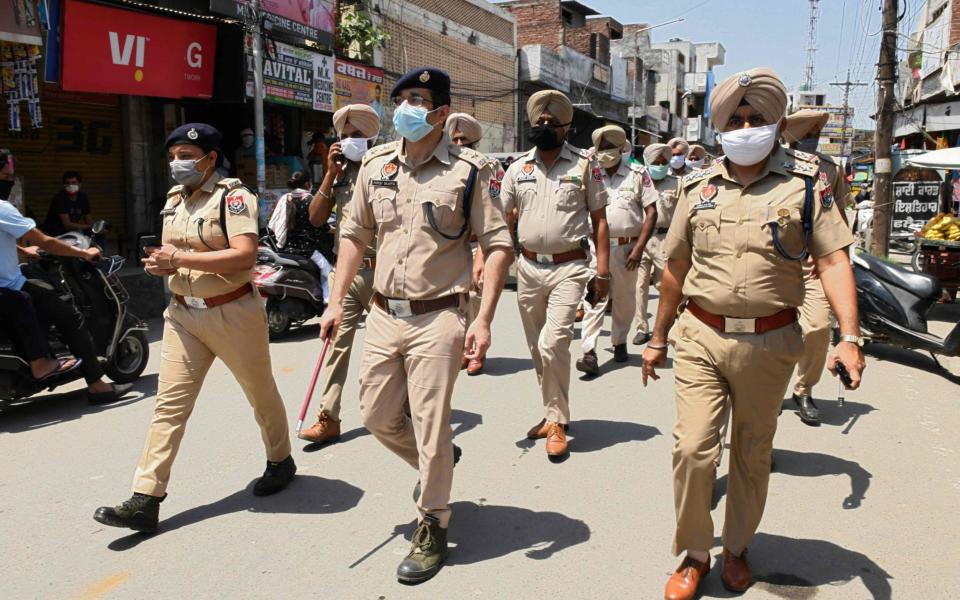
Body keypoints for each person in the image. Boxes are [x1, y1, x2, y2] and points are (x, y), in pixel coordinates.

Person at [641, 68, 865, 600]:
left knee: (751, 450)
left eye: (756, 118)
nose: (746, 126)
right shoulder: (697, 187)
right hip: (701, 335)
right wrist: (656, 337)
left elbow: (834, 259)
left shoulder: (806, 185)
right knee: (694, 449)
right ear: (721, 124)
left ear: (775, 124)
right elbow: (674, 268)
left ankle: (737, 547)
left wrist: (849, 337)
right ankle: (696, 553)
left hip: (772, 340)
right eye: (736, 118)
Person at [318, 68, 513, 583]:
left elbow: (496, 245)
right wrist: (336, 302)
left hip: (440, 316)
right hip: (383, 313)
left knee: (430, 425)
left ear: (441, 113)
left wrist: (485, 319)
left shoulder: (472, 170)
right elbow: (354, 236)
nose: (405, 108)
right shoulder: (377, 164)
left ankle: (433, 521)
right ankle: (440, 465)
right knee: (379, 416)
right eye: (400, 99)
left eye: (418, 100)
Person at [93, 124, 295, 534]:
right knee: (169, 406)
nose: (176, 164)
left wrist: (178, 259)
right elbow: (171, 256)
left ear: (210, 158)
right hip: (183, 314)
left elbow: (243, 256)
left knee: (260, 393)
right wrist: (160, 264)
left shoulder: (234, 198)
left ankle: (280, 459)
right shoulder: (173, 200)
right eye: (171, 156)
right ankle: (145, 498)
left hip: (233, 311)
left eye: (185, 154)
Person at [500, 89, 609, 459]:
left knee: (553, 343)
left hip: (570, 267)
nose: (544, 126)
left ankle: (558, 422)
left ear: (566, 127)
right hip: (528, 268)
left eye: (551, 122)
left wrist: (603, 272)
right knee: (537, 349)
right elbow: (504, 219)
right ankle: (551, 412)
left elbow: (600, 220)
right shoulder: (518, 168)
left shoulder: (584, 165)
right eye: (539, 122)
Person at [0, 151, 129, 402]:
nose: (10, 181)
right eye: (6, 176)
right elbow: (47, 241)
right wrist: (82, 253)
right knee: (69, 316)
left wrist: (22, 250)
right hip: (8, 285)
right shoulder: (3, 207)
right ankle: (95, 385)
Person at [297, 103, 382, 445]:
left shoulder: (388, 170)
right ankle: (328, 417)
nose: (349, 142)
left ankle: (400, 406)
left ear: (372, 139)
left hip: (383, 273)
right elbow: (316, 218)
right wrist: (330, 174)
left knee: (389, 348)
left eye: (356, 136)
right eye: (344, 136)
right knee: (334, 345)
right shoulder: (340, 173)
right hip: (345, 274)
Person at [781, 109, 853, 425]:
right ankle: (761, 393)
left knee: (818, 328)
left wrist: (838, 262)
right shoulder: (770, 165)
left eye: (816, 132)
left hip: (814, 266)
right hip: (775, 265)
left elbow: (839, 218)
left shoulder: (829, 169)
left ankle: (803, 389)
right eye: (807, 132)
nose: (813, 138)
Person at [576, 125, 658, 376]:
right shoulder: (590, 173)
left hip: (626, 250)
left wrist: (639, 248)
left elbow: (651, 212)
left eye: (610, 147)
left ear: (621, 149)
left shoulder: (636, 173)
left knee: (623, 300)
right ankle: (589, 351)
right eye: (601, 147)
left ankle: (619, 340)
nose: (605, 152)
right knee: (593, 297)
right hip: (595, 247)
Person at [446, 112, 503, 375]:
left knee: (476, 299)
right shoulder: (443, 166)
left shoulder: (488, 168)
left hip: (477, 243)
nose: (459, 145)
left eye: (464, 141)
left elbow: (493, 217)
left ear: (474, 143)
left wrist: (481, 256)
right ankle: (459, 349)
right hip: (450, 248)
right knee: (454, 304)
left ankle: (476, 353)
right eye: (455, 139)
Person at [633, 142, 679, 345]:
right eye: (656, 162)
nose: (660, 165)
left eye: (663, 161)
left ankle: (666, 326)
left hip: (664, 239)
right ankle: (641, 328)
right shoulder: (638, 180)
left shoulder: (677, 184)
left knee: (665, 286)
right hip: (640, 239)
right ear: (647, 162)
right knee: (639, 285)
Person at [42, 171, 105, 246]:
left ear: (80, 184)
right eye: (67, 183)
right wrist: (87, 227)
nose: (70, 185)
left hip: (73, 230)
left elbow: (88, 219)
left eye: (74, 183)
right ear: (64, 185)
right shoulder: (60, 198)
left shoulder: (83, 197)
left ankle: (99, 255)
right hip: (56, 232)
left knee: (99, 234)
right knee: (79, 234)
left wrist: (96, 228)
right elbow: (67, 224)